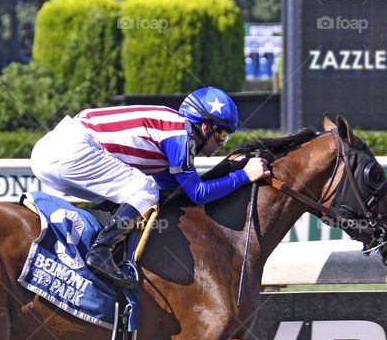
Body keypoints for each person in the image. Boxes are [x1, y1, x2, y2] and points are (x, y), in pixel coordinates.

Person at [30, 86, 269, 289]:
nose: (222, 143)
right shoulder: (180, 134)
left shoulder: (172, 132)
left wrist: (229, 170)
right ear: (206, 127)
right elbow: (198, 193)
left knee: (132, 198)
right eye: (222, 134)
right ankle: (100, 252)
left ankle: (105, 249)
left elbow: (178, 191)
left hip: (51, 154)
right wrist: (245, 175)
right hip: (68, 151)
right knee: (144, 189)